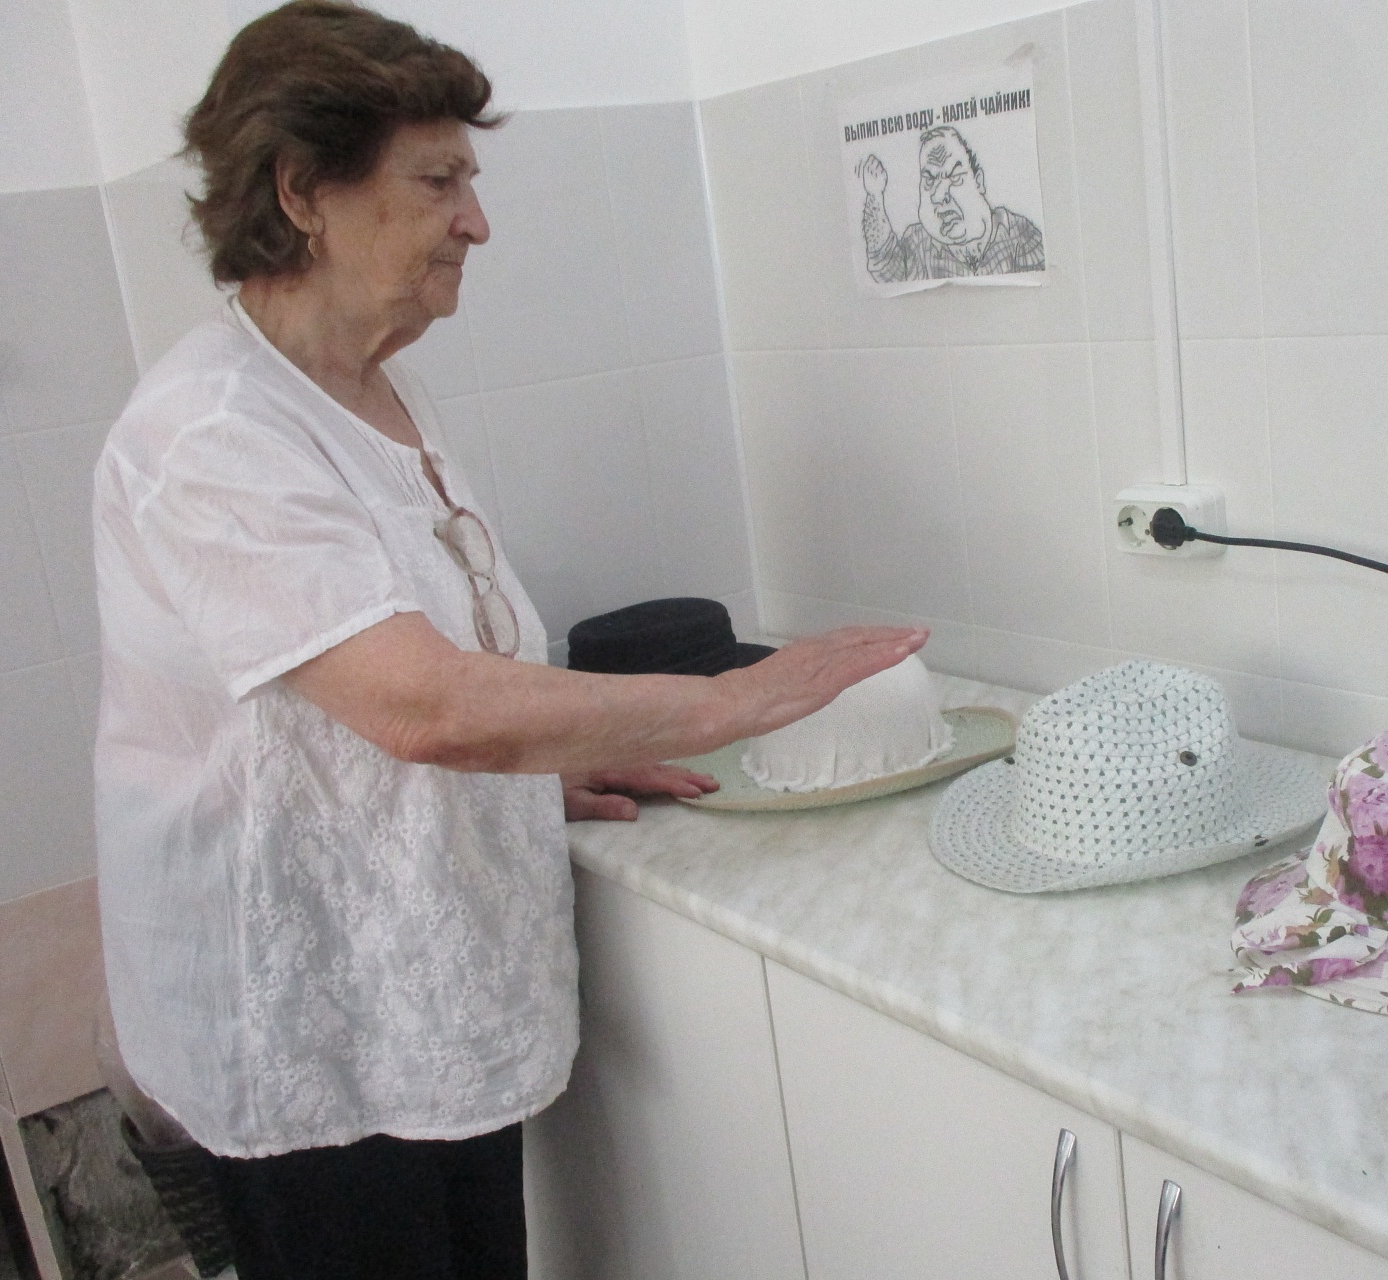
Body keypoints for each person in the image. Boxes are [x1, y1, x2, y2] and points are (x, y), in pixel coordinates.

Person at [90, 4, 927, 1278]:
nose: (476, 221)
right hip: (308, 1026)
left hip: (422, 992)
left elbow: (408, 674)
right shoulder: (210, 434)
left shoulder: (379, 387)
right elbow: (422, 704)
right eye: (439, 182)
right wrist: (740, 699)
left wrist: (536, 772)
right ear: (303, 192)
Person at [858, 123, 1045, 283]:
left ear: (978, 181)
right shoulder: (918, 244)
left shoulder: (1019, 234)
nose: (939, 195)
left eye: (955, 177)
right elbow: (885, 269)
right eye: (929, 180)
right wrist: (874, 195)